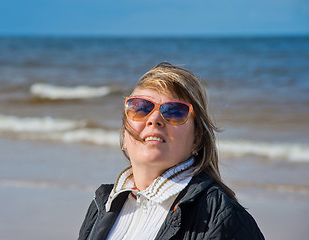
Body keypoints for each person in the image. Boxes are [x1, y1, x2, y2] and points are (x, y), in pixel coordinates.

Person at [78, 62, 265, 240]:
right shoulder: (101, 204)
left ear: (197, 139)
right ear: (124, 134)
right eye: (140, 108)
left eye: (175, 112)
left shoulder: (223, 217)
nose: (154, 119)